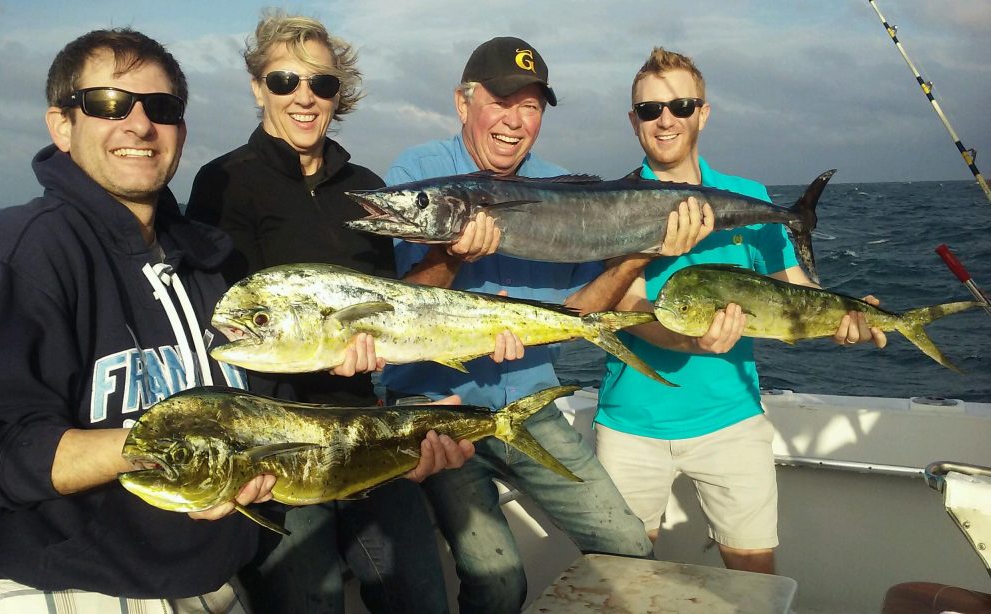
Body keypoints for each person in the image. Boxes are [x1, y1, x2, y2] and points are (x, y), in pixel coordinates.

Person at [0, 26, 464, 614]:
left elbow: (259, 397)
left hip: (215, 569)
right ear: (61, 124)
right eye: (107, 103)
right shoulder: (16, 254)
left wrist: (388, 442)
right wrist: (178, 456)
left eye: (162, 107)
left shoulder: (206, 260)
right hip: (70, 581)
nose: (138, 124)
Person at [380, 36, 712, 614]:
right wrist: (453, 255)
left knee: (629, 545)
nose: (514, 121)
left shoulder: (566, 188)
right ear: (464, 103)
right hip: (439, 409)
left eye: (530, 106)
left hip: (532, 403)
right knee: (499, 576)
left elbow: (582, 313)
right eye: (501, 102)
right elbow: (397, 311)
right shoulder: (420, 175)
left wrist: (637, 256)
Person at [185, 11, 477, 613]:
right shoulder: (222, 184)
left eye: (321, 84)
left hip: (363, 425)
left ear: (338, 96)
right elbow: (215, 322)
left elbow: (389, 305)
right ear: (257, 86)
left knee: (422, 598)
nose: (304, 97)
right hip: (271, 443)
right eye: (285, 81)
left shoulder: (365, 189)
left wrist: (452, 264)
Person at [594, 47, 888, 575]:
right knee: (619, 582)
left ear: (703, 113)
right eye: (649, 110)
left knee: (755, 580)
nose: (666, 120)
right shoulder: (613, 204)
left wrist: (847, 319)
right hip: (630, 423)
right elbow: (628, 304)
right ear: (632, 120)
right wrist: (692, 341)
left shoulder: (750, 198)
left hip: (732, 419)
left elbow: (793, 295)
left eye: (681, 106)